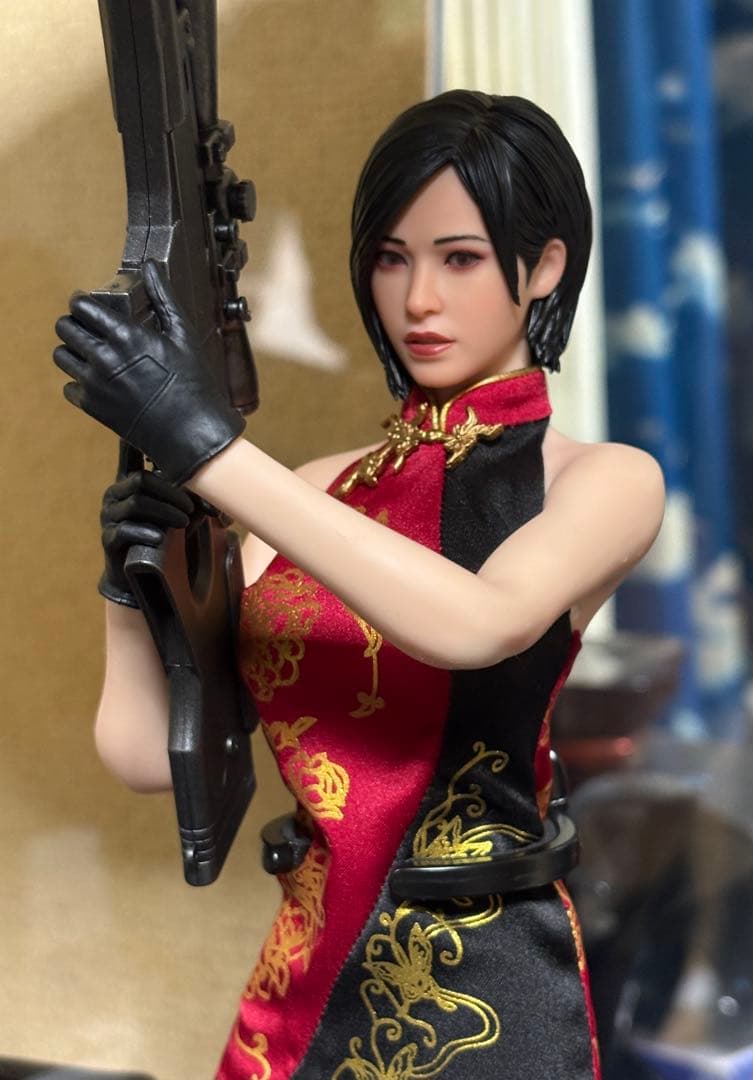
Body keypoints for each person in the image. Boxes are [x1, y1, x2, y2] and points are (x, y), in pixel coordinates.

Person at [54, 90, 664, 1080]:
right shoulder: (307, 493)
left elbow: (478, 623)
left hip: (482, 991)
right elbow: (147, 758)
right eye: (390, 257)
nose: (418, 299)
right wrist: (130, 582)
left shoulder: (601, 481)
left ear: (546, 265)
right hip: (300, 981)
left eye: (460, 259)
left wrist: (208, 448)